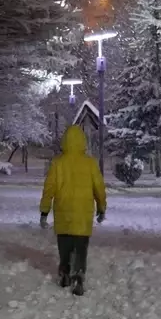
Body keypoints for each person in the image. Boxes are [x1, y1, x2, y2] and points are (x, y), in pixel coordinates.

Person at [39, 125, 106, 297]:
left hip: (63, 214)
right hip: (83, 216)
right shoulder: (90, 163)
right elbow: (99, 187)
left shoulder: (58, 163)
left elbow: (49, 189)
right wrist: (101, 207)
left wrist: (44, 211)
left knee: (65, 247)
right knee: (81, 248)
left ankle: (65, 273)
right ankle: (79, 276)